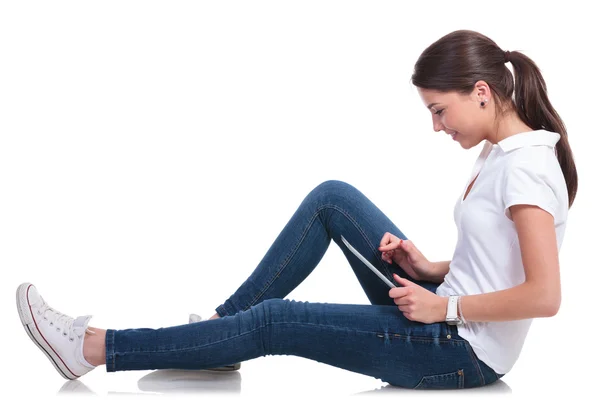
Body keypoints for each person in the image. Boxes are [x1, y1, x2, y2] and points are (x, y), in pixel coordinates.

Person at [16, 29, 577, 390]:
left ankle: (93, 347)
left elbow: (543, 296)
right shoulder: (502, 153)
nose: (436, 126)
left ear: (481, 91)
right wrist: (429, 269)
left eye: (439, 110)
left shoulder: (525, 167)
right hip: (448, 311)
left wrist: (441, 309)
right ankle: (218, 334)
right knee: (332, 198)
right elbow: (498, 257)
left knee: (277, 322)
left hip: (460, 352)